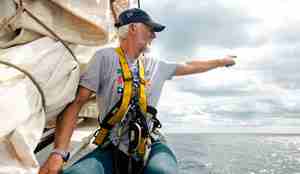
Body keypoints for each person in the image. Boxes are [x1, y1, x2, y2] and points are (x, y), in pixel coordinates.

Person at [39, 8, 236, 174]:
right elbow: (77, 103)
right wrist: (59, 153)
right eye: (150, 30)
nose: (154, 35)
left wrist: (220, 62)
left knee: (163, 172)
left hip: (150, 142)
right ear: (133, 28)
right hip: (112, 143)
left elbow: (189, 65)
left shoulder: (156, 65)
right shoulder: (104, 58)